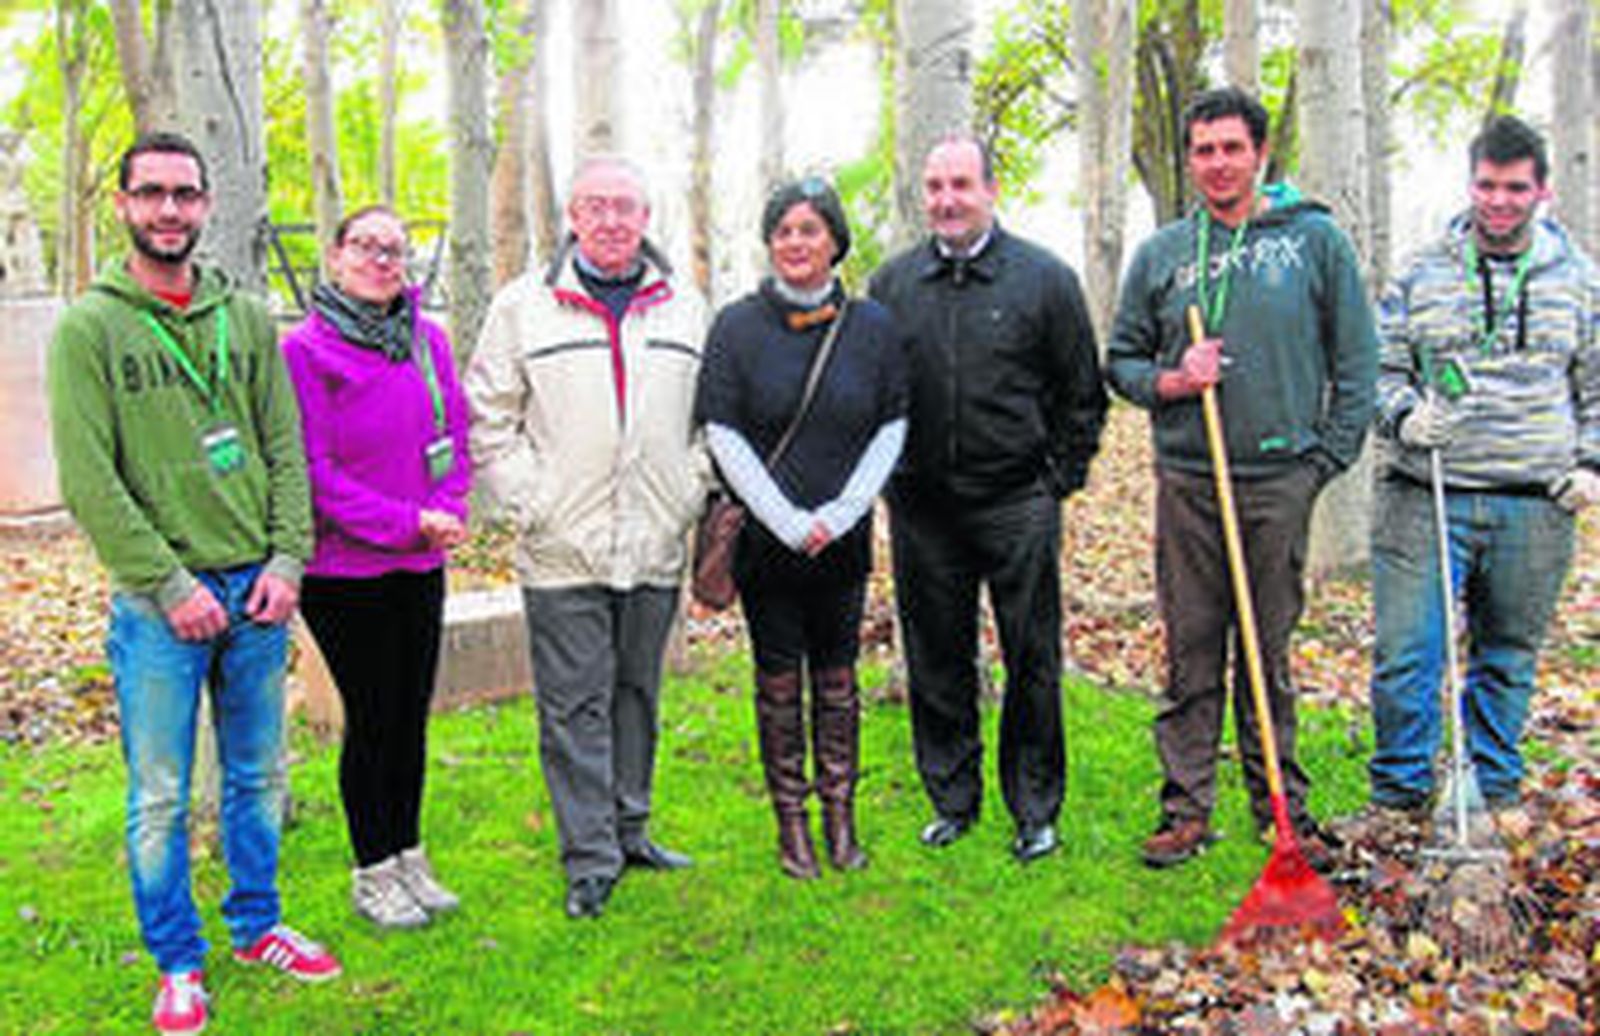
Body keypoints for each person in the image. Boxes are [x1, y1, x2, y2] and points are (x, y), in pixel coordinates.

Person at [46, 132, 340, 1036]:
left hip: (256, 592)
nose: (169, 210)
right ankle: (176, 960)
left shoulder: (245, 316)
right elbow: (91, 481)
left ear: (208, 206)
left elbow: (286, 446)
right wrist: (170, 585)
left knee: (257, 775)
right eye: (152, 194)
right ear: (125, 205)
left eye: (185, 194)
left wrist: (288, 561)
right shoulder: (90, 327)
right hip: (156, 603)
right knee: (162, 794)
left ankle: (256, 926)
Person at [1105, 87, 1378, 869]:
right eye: (1202, 149)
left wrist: (1324, 460)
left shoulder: (1313, 240)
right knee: (1192, 649)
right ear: (1188, 159)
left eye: (1231, 147)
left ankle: (1280, 807)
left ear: (1259, 153)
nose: (1217, 163)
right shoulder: (1163, 255)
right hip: (1190, 478)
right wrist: (1171, 381)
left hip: (1279, 478)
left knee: (1268, 649)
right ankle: (1186, 809)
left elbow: (1356, 359)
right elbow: (1119, 361)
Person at [465, 156, 708, 919]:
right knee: (574, 707)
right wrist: (529, 499)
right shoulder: (523, 307)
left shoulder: (686, 308)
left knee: (637, 693)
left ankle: (632, 828)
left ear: (646, 216)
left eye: (624, 207)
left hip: (654, 541)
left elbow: (714, 418)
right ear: (571, 216)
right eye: (594, 206)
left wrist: (689, 489)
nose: (610, 220)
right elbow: (488, 415)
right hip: (561, 544)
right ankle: (590, 857)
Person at [869, 135, 1107, 864]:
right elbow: (871, 392)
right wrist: (889, 478)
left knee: (1031, 657)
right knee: (937, 659)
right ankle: (952, 799)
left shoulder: (1044, 280)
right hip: (922, 506)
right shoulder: (891, 287)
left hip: (1016, 500)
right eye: (935, 186)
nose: (946, 199)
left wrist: (1055, 479)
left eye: (961, 185)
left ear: (991, 190)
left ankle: (1035, 807)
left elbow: (1082, 395)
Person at [1366, 115, 1598, 821]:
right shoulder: (1421, 272)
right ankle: (1399, 800)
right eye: (1487, 186)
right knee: (1409, 655)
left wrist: (1592, 464)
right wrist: (1404, 415)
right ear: (1470, 184)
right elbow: (1375, 371)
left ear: (1542, 191)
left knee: (1507, 656)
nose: (1499, 201)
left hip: (1536, 500)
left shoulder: (1581, 282)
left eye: (1515, 188)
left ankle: (1492, 795)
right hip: (1426, 494)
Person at [694, 177, 908, 879]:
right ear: (769, 241)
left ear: (835, 240)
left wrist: (842, 513)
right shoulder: (735, 327)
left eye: (810, 230)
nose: (796, 243)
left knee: (839, 681)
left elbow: (892, 423)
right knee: (779, 683)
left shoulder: (872, 327)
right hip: (767, 542)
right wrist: (783, 520)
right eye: (784, 230)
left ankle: (841, 819)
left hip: (842, 538)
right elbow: (722, 430)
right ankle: (793, 829)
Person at [282, 205, 472, 929]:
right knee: (372, 720)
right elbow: (314, 471)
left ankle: (409, 852)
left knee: (410, 716)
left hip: (421, 562)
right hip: (346, 572)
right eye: (365, 246)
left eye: (394, 250)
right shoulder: (305, 350)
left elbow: (453, 427)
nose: (381, 260)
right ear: (335, 257)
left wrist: (449, 502)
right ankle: (373, 871)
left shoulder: (428, 341)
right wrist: (403, 522)